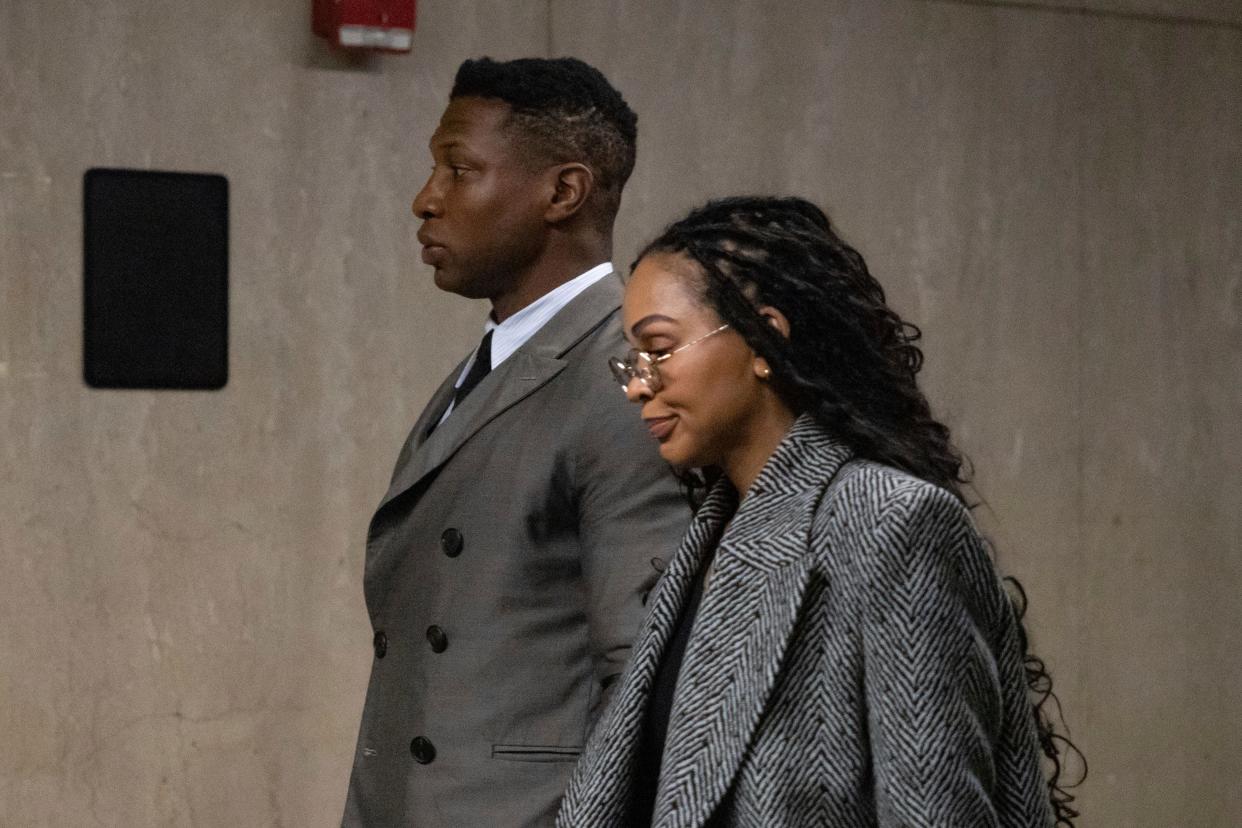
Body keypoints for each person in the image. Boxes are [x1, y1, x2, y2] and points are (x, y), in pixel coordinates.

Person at [557, 197, 1078, 827]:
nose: (640, 384)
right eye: (632, 363)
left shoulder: (890, 523)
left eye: (660, 349)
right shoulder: (704, 548)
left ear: (763, 336)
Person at [342, 57, 690, 827]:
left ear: (562, 193)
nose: (425, 200)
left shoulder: (621, 379)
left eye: (459, 170)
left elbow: (643, 679)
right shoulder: (496, 361)